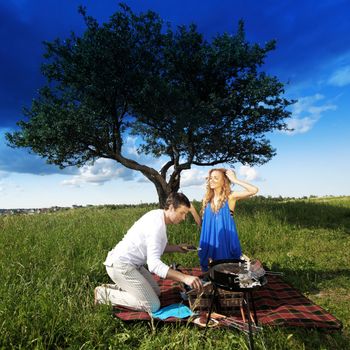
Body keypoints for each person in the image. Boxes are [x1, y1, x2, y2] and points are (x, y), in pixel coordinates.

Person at [94, 192, 202, 313]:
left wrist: (178, 248)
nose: (183, 218)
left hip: (134, 265)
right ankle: (103, 294)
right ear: (171, 207)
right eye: (182, 213)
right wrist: (185, 278)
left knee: (156, 292)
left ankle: (121, 287)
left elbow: (156, 247)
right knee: (153, 305)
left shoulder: (158, 216)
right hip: (121, 266)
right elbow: (154, 265)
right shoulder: (156, 226)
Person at [192, 168, 258, 271]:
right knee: (212, 272)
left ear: (224, 181)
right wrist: (192, 209)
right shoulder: (206, 199)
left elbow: (254, 190)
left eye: (216, 178)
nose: (211, 180)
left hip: (225, 240)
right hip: (210, 241)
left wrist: (235, 180)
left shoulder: (230, 197)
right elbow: (202, 224)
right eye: (210, 178)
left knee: (226, 269)